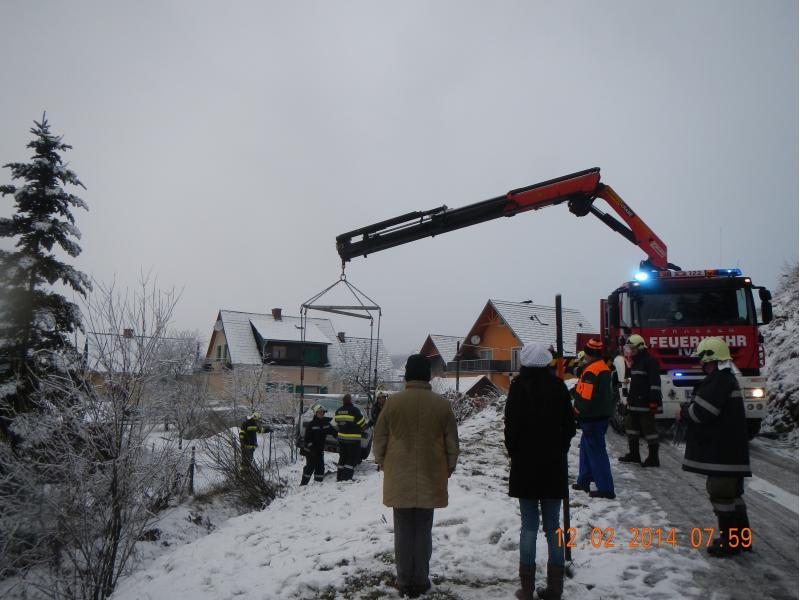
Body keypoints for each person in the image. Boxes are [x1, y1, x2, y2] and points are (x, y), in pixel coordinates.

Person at [373, 354, 459, 599]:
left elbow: (380, 438)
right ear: (428, 375)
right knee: (423, 528)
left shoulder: (393, 403)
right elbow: (452, 443)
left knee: (403, 530)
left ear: (408, 374)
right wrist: (448, 467)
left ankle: (403, 579)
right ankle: (420, 580)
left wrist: (382, 462)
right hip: (431, 476)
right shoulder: (442, 405)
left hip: (399, 475)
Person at [504, 342, 576, 600]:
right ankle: (555, 588)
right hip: (553, 466)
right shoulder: (559, 387)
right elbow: (570, 427)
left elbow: (510, 428)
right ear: (546, 362)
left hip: (525, 467)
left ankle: (526, 588)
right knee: (554, 526)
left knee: (528, 527)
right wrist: (560, 449)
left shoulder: (517, 388)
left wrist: (516, 453)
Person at [680, 337, 752, 557]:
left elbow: (702, 413)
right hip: (731, 451)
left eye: (702, 358)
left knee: (721, 495)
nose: (700, 363)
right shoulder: (727, 379)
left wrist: (684, 412)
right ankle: (743, 539)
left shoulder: (719, 381)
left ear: (710, 358)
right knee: (734, 496)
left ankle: (729, 543)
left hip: (722, 452)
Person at [571, 339, 616, 499]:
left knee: (597, 452)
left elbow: (586, 398)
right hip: (599, 415)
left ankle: (606, 488)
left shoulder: (591, 371)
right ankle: (584, 480)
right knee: (586, 447)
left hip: (592, 418)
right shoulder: (601, 367)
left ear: (588, 353)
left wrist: (576, 412)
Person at [618, 335, 663, 467]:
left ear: (641, 347)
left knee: (649, 431)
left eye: (633, 348)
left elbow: (655, 384)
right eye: (629, 348)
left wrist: (654, 401)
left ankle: (653, 458)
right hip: (635, 403)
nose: (630, 351)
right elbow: (635, 384)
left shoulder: (650, 362)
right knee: (631, 428)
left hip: (646, 404)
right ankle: (634, 455)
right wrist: (629, 400)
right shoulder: (636, 362)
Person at [334, 393, 368, 481]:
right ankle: (346, 478)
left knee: (343, 457)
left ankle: (339, 476)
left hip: (341, 439)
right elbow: (362, 422)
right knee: (352, 458)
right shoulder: (354, 410)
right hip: (353, 439)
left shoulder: (338, 411)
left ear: (343, 401)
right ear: (350, 401)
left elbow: (337, 422)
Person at [300, 404, 336, 486]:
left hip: (319, 450)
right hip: (311, 451)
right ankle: (303, 485)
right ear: (316, 413)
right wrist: (311, 448)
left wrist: (340, 436)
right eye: (320, 412)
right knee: (310, 467)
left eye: (323, 412)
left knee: (320, 468)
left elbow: (333, 432)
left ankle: (317, 485)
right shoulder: (311, 424)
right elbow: (307, 439)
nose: (321, 414)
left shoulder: (325, 423)